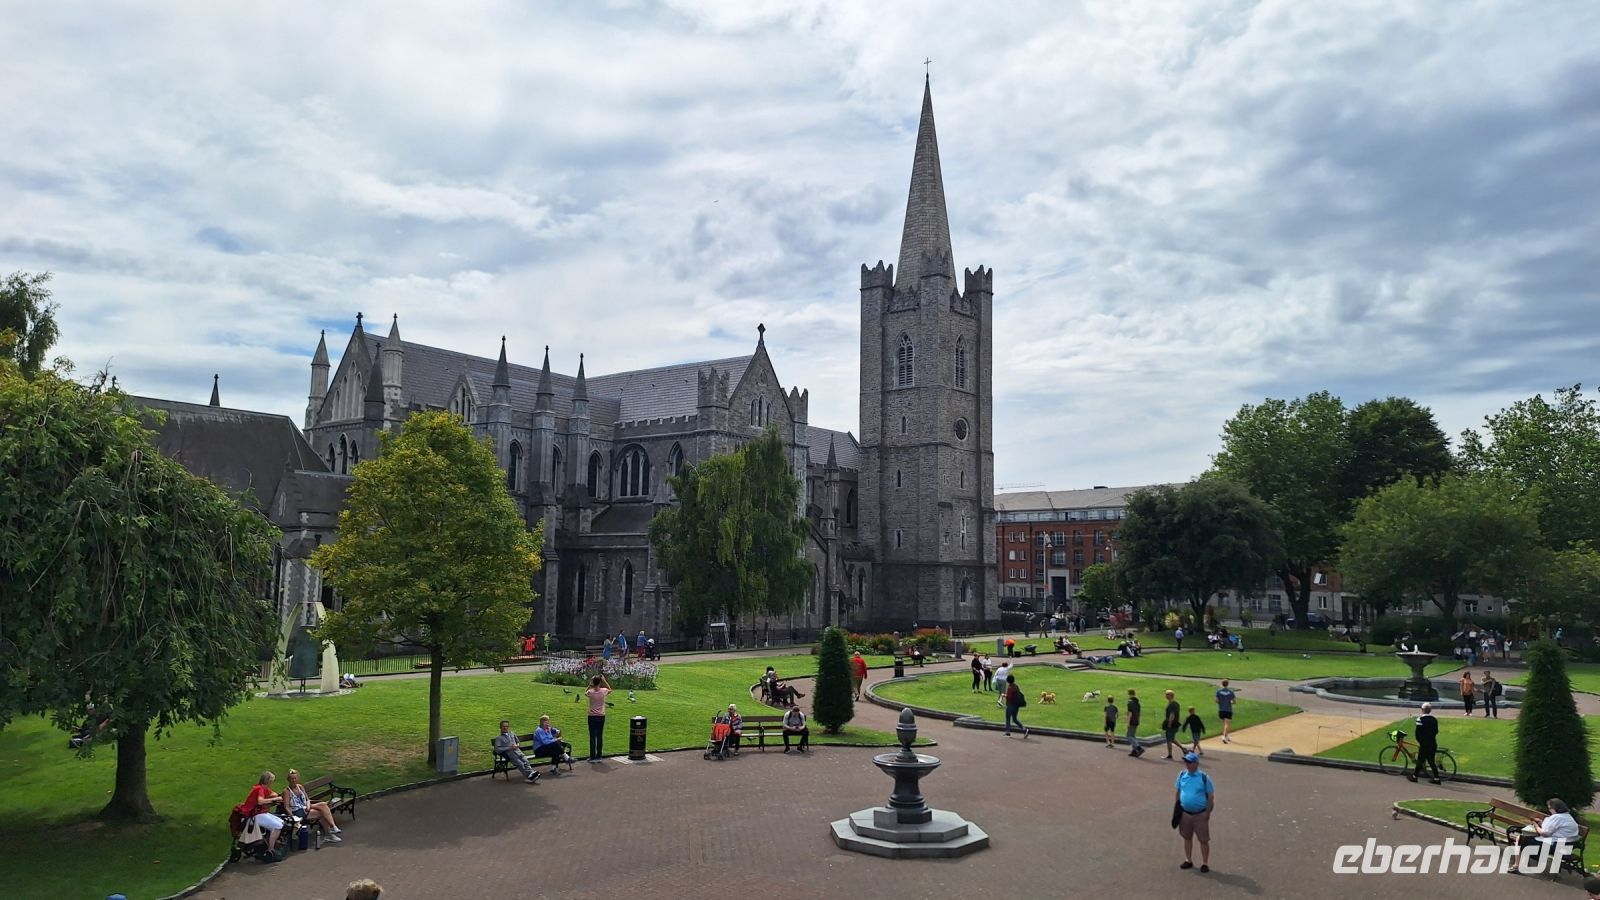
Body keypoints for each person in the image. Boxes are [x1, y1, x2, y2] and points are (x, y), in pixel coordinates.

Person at [1174, 751, 1215, 872]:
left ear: (1196, 763)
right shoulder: (1182, 775)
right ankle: (1188, 860)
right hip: (1185, 813)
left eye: (1190, 762)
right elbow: (1178, 791)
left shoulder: (1204, 777)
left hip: (1200, 814)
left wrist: (1207, 813)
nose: (1187, 764)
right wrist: (1178, 807)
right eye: (1186, 762)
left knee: (1203, 840)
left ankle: (1205, 863)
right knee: (1187, 837)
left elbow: (1211, 797)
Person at [1513, 798, 1580, 872]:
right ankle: (1522, 862)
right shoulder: (1568, 817)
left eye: (1550, 808)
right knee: (1526, 839)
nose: (1549, 810)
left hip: (1553, 846)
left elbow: (1544, 833)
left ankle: (1517, 865)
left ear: (1554, 808)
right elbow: (1554, 829)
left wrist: (1535, 825)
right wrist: (1541, 823)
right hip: (1565, 845)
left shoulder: (1557, 817)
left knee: (1521, 838)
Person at [234, 771, 286, 855]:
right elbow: (260, 801)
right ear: (268, 781)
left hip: (259, 813)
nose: (272, 783)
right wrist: (274, 799)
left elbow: (273, 794)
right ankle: (270, 850)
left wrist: (274, 796)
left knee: (282, 822)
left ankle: (267, 843)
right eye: (272, 781)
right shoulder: (259, 789)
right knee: (278, 826)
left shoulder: (262, 788)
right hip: (254, 815)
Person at [284, 768, 343, 842]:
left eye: (295, 778)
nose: (293, 780)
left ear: (298, 778)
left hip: (306, 808)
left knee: (323, 805)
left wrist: (308, 806)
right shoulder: (287, 791)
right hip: (298, 812)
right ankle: (329, 833)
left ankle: (333, 828)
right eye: (291, 778)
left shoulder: (300, 787)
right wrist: (293, 817)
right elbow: (286, 806)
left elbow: (307, 799)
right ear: (288, 779)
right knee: (322, 812)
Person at [1407, 703, 1442, 785]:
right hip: (1433, 742)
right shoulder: (1434, 719)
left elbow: (1417, 733)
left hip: (1424, 744)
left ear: (1422, 710)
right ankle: (1437, 778)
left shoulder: (1420, 719)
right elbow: (1436, 731)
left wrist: (1421, 741)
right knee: (1431, 761)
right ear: (1430, 710)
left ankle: (1415, 777)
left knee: (1420, 760)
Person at [585, 674, 613, 761]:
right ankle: (599, 755)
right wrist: (604, 680)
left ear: (593, 683)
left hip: (592, 716)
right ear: (600, 682)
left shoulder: (590, 692)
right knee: (599, 735)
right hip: (601, 716)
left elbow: (585, 692)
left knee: (592, 736)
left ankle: (592, 756)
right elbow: (610, 690)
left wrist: (590, 684)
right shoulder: (604, 691)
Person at [1161, 690, 1182, 760]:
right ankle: (1184, 749)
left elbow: (1172, 715)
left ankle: (1170, 755)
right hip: (1175, 723)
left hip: (1172, 724)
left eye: (1167, 694)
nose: (1166, 696)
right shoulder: (1176, 703)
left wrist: (1169, 723)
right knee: (1172, 739)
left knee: (1169, 739)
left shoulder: (1172, 704)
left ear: (1171, 695)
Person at [1126, 688, 1143, 757]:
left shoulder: (1130, 702)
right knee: (1133, 735)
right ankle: (1134, 751)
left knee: (1128, 736)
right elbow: (1139, 713)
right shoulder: (1137, 702)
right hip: (1136, 720)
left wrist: (1128, 722)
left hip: (1132, 721)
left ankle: (1138, 747)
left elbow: (1130, 713)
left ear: (1129, 694)